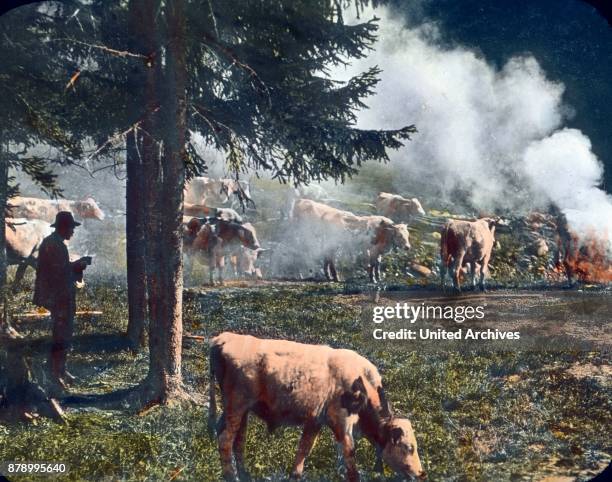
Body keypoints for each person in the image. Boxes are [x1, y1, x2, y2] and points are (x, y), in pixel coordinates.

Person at [33, 211, 92, 390]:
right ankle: (55, 372)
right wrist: (79, 265)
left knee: (64, 332)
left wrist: (75, 265)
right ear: (63, 228)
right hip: (57, 297)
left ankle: (61, 370)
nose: (73, 232)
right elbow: (58, 273)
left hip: (60, 295)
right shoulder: (54, 245)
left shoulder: (55, 244)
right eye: (71, 228)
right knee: (61, 333)